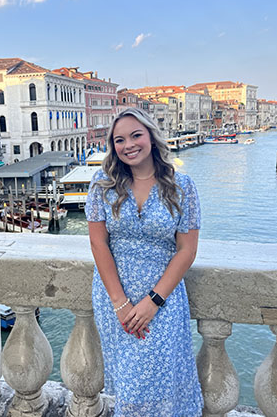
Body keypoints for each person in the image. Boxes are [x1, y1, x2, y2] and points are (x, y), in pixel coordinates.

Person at [85, 108, 203, 417]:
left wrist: (153, 302)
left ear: (151, 135)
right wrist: (120, 303)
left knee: (164, 389)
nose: (129, 145)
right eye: (119, 139)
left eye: (136, 135)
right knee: (130, 389)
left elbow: (186, 251)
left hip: (162, 301)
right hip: (115, 300)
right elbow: (98, 243)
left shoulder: (182, 186)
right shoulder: (102, 184)